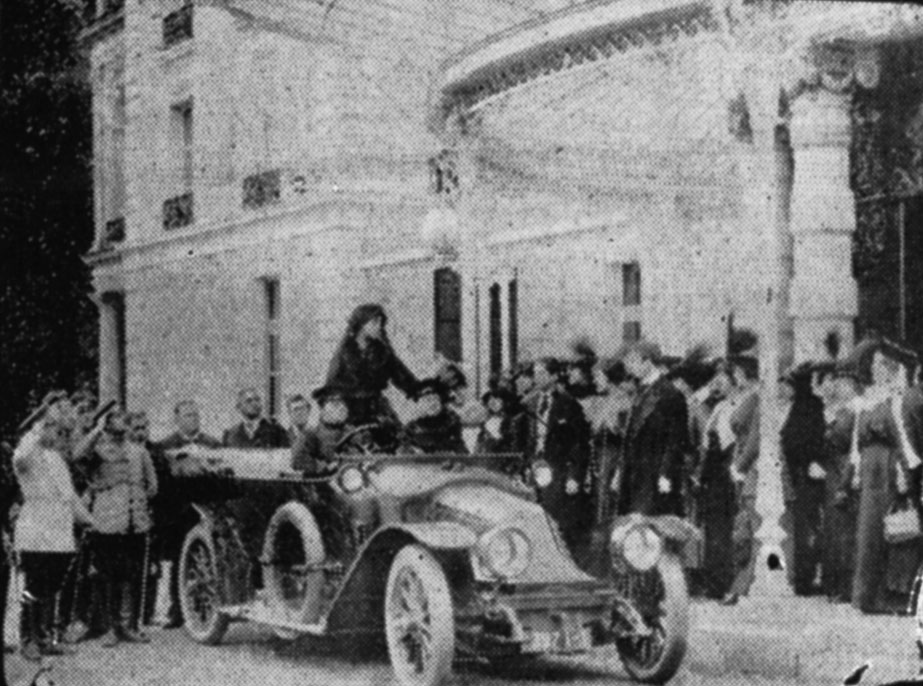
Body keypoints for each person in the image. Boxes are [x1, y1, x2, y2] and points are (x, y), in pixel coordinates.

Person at [13, 397, 96, 660]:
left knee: (51, 585)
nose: (58, 435)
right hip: (36, 526)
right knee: (34, 584)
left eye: (59, 431)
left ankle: (45, 635)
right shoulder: (26, 452)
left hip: (59, 530)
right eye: (52, 429)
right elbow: (22, 457)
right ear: (40, 428)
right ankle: (28, 638)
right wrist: (35, 431)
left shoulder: (56, 458)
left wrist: (89, 520)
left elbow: (69, 496)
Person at [847, 339, 923, 614]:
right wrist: (855, 470)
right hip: (870, 470)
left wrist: (905, 472)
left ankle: (891, 598)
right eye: (876, 364)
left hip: (890, 468)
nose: (877, 369)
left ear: (892, 369)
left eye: (882, 364)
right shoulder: (866, 401)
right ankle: (866, 596)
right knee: (868, 532)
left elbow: (903, 438)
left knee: (890, 531)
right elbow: (857, 441)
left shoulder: (896, 399)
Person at [84, 411, 157, 646]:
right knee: (107, 575)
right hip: (106, 522)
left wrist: (137, 502)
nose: (120, 427)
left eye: (123, 423)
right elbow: (76, 457)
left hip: (135, 522)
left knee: (133, 574)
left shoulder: (140, 451)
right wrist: (95, 430)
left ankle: (130, 625)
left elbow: (153, 485)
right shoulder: (98, 449)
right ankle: (110, 627)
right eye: (114, 423)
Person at [156, 399, 221, 629]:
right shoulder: (165, 446)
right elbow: (162, 482)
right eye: (187, 416)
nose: (193, 419)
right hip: (179, 512)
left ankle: (211, 607)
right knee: (178, 559)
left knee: (211, 556)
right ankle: (178, 610)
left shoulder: (212, 443)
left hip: (208, 508)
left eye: (195, 415)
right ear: (177, 419)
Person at [523, 357, 591, 556]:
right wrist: (527, 464)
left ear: (554, 376)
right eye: (535, 374)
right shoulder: (531, 403)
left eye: (542, 374)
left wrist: (574, 476)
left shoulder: (569, 404)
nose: (537, 378)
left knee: (557, 518)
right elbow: (528, 438)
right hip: (535, 468)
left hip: (559, 469)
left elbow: (579, 444)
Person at [618, 340, 689, 517]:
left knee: (650, 529)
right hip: (634, 474)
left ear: (647, 362)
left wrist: (666, 474)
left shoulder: (670, 394)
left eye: (633, 361)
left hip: (654, 475)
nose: (628, 367)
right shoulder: (641, 390)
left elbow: (676, 440)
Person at [324, 304, 421, 425]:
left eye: (381, 323)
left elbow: (402, 377)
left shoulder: (383, 352)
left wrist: (422, 392)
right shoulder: (344, 352)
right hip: (349, 412)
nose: (379, 327)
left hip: (376, 409)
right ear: (361, 325)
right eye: (374, 322)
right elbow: (331, 387)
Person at [779, 362, 827, 596]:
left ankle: (804, 578)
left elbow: (806, 440)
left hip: (805, 474)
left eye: (788, 384)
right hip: (799, 473)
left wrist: (807, 461)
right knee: (801, 527)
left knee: (805, 528)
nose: (784, 389)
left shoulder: (808, 406)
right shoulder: (803, 405)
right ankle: (801, 577)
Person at [694, 363, 738, 599]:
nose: (717, 386)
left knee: (722, 530)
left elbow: (726, 443)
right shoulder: (718, 406)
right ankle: (714, 582)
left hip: (724, 471)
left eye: (722, 381)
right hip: (712, 472)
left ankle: (722, 583)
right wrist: (705, 393)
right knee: (713, 530)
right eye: (714, 382)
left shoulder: (735, 406)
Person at [818, 360, 860, 603]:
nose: (838, 387)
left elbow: (840, 440)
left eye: (843, 383)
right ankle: (834, 583)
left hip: (843, 468)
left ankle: (844, 586)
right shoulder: (840, 409)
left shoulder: (853, 410)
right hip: (834, 469)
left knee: (843, 528)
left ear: (853, 385)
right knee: (834, 528)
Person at [724, 354, 761, 604]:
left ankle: (747, 584)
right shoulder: (749, 397)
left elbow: (755, 438)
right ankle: (742, 583)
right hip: (743, 461)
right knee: (746, 528)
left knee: (754, 527)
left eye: (736, 373)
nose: (734, 378)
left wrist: (740, 465)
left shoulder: (758, 397)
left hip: (752, 465)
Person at [403, 379, 468, 454]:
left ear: (442, 402)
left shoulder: (452, 424)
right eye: (428, 400)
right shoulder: (411, 430)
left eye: (435, 399)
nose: (432, 403)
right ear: (419, 403)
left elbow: (463, 455)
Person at [222, 388, 289, 449]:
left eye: (257, 400)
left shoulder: (276, 430)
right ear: (239, 407)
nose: (254, 403)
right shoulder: (230, 435)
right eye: (249, 401)